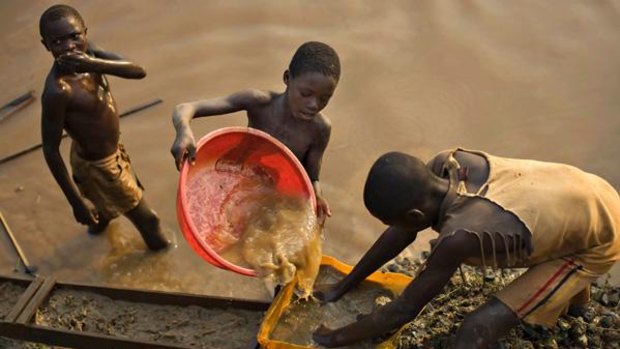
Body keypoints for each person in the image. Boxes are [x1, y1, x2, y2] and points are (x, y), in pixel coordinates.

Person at [312, 148, 620, 348]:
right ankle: (577, 306)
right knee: (561, 228)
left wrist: (333, 337)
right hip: (586, 191)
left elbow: (406, 309)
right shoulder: (447, 163)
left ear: (416, 217)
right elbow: (400, 233)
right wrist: (345, 283)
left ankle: (574, 290)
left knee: (477, 326)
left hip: (597, 241)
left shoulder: (460, 236)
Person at [40, 4, 169, 251]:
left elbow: (138, 71)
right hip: (101, 166)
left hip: (104, 153)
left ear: (85, 32)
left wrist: (93, 64)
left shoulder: (91, 54)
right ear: (46, 45)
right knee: (150, 222)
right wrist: (76, 202)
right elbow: (50, 150)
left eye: (75, 36)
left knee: (103, 212)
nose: (69, 47)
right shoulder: (59, 90)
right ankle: (169, 273)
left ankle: (92, 239)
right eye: (57, 42)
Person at [170, 41, 340, 225]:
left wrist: (318, 197)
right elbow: (185, 108)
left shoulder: (320, 129)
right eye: (306, 94)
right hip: (238, 170)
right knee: (220, 222)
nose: (314, 104)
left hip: (274, 188)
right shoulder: (259, 103)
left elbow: (312, 175)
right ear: (287, 78)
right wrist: (183, 130)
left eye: (324, 98)